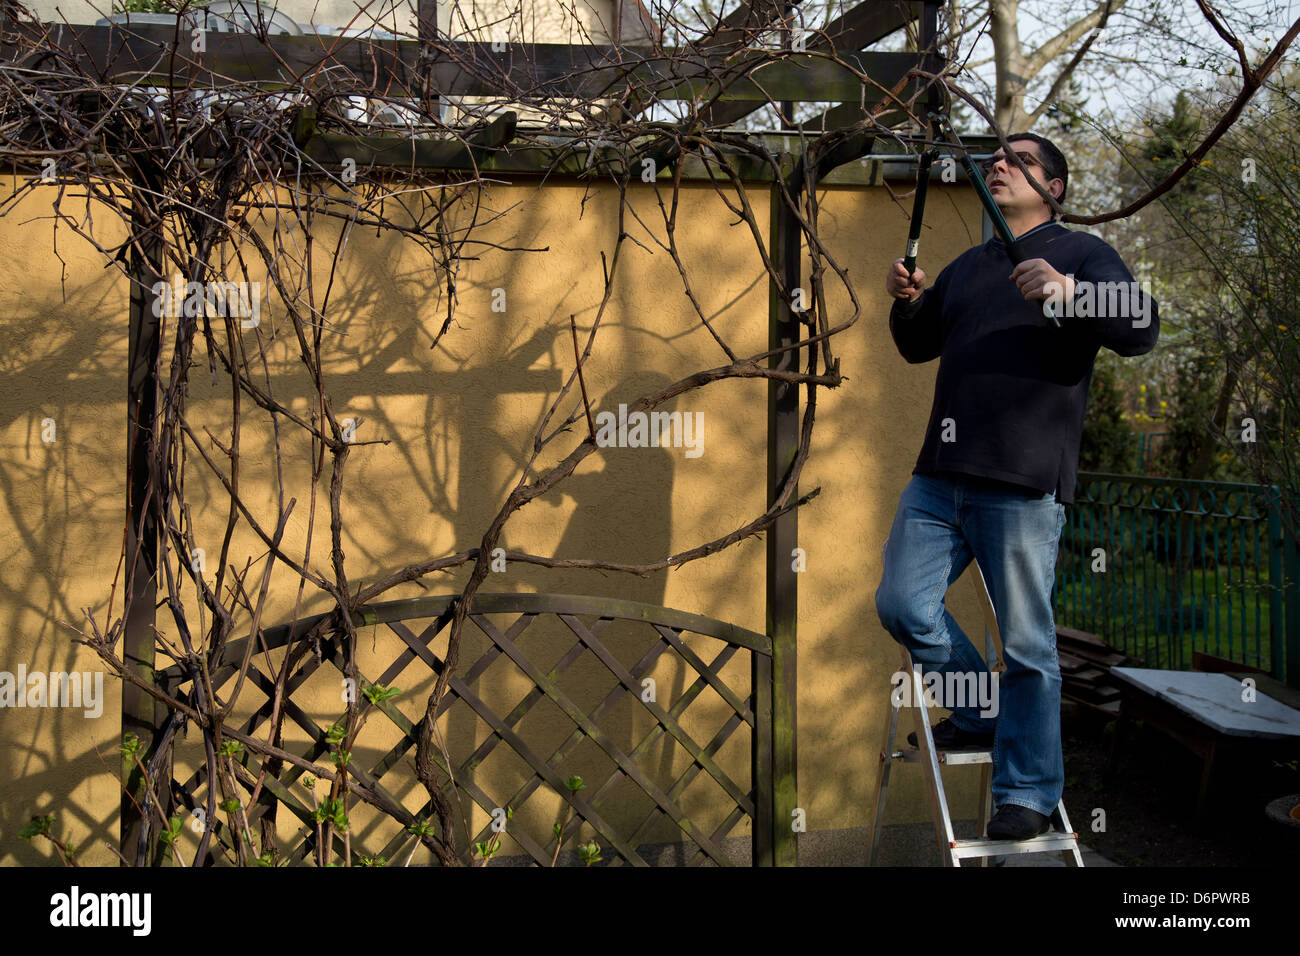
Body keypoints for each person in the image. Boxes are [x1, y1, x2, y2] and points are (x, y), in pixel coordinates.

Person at [874, 132, 1159, 840]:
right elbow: (917, 345)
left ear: (1056, 189)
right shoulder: (973, 267)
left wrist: (1071, 293)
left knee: (1028, 645)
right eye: (997, 157)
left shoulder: (1082, 254)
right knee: (903, 605)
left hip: (1023, 482)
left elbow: (1143, 326)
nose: (1000, 164)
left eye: (1022, 160)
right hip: (939, 479)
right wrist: (908, 301)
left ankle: (1027, 789)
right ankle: (979, 715)